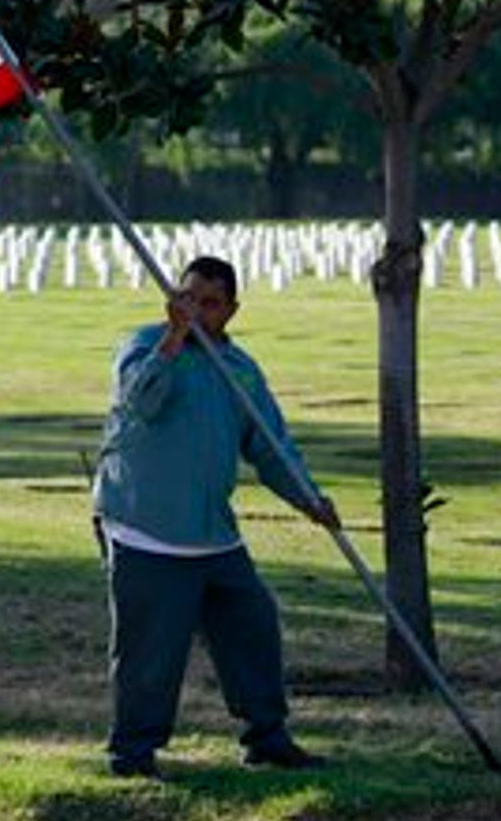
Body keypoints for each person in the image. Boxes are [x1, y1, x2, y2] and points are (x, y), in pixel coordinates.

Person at [91, 255, 341, 779]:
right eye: (189, 299)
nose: (198, 310)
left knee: (252, 627)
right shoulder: (144, 347)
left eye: (210, 303)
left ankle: (266, 738)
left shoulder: (242, 371)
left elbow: (271, 447)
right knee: (150, 651)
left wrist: (310, 499)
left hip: (212, 534)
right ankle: (132, 754)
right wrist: (172, 341)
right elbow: (141, 403)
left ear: (231, 310)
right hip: (146, 529)